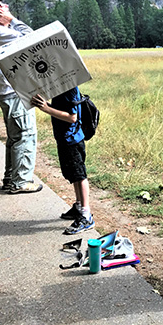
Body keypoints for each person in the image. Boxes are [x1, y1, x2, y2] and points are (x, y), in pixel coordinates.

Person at [0, 0, 43, 194]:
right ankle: (21, 181)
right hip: (13, 91)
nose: (6, 6)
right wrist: (13, 19)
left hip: (9, 89)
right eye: (1, 6)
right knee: (26, 134)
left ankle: (11, 178)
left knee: (15, 136)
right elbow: (32, 37)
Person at [31, 88, 94, 234]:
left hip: (72, 139)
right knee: (73, 176)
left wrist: (46, 108)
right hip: (63, 139)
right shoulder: (60, 88)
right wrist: (45, 104)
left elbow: (72, 117)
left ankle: (86, 215)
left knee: (80, 176)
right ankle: (79, 207)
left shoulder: (69, 89)